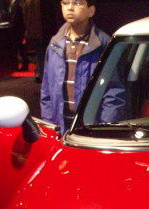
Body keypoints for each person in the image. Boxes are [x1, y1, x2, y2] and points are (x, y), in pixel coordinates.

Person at [40, 0, 110, 133]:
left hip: (91, 126)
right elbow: (47, 89)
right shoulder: (55, 43)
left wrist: (104, 128)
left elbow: (113, 91)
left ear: (91, 11)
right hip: (60, 124)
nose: (70, 8)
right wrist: (48, 124)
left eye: (78, 3)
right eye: (65, 3)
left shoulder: (102, 43)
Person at [22, 0, 43, 81]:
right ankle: (41, 72)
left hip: (32, 31)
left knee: (38, 52)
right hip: (42, 30)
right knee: (42, 52)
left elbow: (25, 18)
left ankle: (39, 72)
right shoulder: (41, 2)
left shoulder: (27, 2)